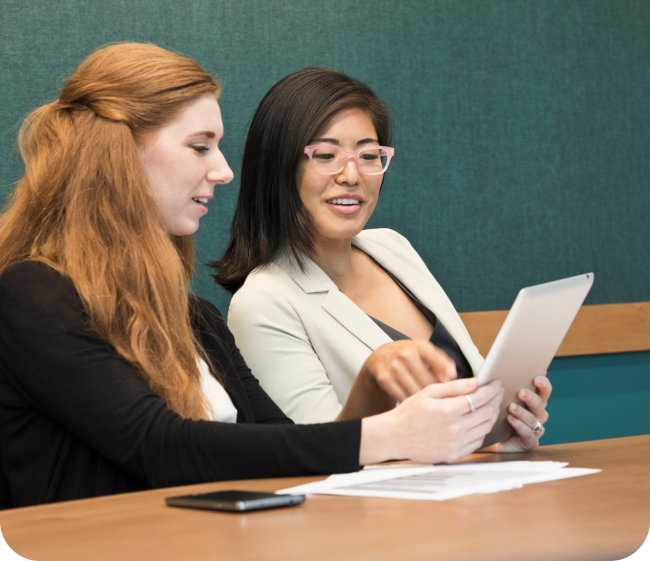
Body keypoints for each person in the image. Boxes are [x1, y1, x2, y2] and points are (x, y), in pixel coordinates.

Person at [0, 44, 503, 509]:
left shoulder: (196, 318)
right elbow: (161, 446)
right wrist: (393, 435)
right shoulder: (31, 296)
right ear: (119, 154)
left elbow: (283, 446)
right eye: (200, 147)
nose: (223, 170)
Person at [215, 67, 550, 450]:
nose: (352, 175)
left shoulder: (392, 247)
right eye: (326, 155)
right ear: (279, 167)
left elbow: (472, 397)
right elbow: (312, 456)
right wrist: (372, 382)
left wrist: (511, 427)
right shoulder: (262, 301)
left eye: (369, 154)